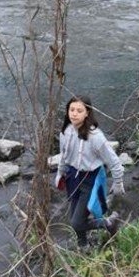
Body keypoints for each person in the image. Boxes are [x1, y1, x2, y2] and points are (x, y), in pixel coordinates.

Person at [54, 95, 125, 251]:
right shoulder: (65, 132)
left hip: (91, 180)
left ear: (87, 113)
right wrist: (60, 173)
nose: (74, 114)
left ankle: (109, 223)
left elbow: (113, 160)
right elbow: (64, 156)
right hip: (72, 177)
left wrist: (118, 181)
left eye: (79, 110)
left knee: (77, 222)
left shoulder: (96, 137)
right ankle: (83, 246)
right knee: (74, 218)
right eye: (71, 110)